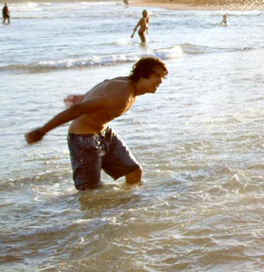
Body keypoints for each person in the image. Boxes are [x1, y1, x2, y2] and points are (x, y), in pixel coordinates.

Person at [24, 57, 168, 191]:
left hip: (104, 133)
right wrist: (42, 131)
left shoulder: (129, 86)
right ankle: (90, 217)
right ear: (143, 74)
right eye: (157, 76)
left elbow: (103, 86)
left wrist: (83, 97)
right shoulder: (122, 95)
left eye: (162, 77)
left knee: (133, 171)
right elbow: (77, 110)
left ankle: (128, 207)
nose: (160, 81)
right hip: (83, 138)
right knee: (90, 190)